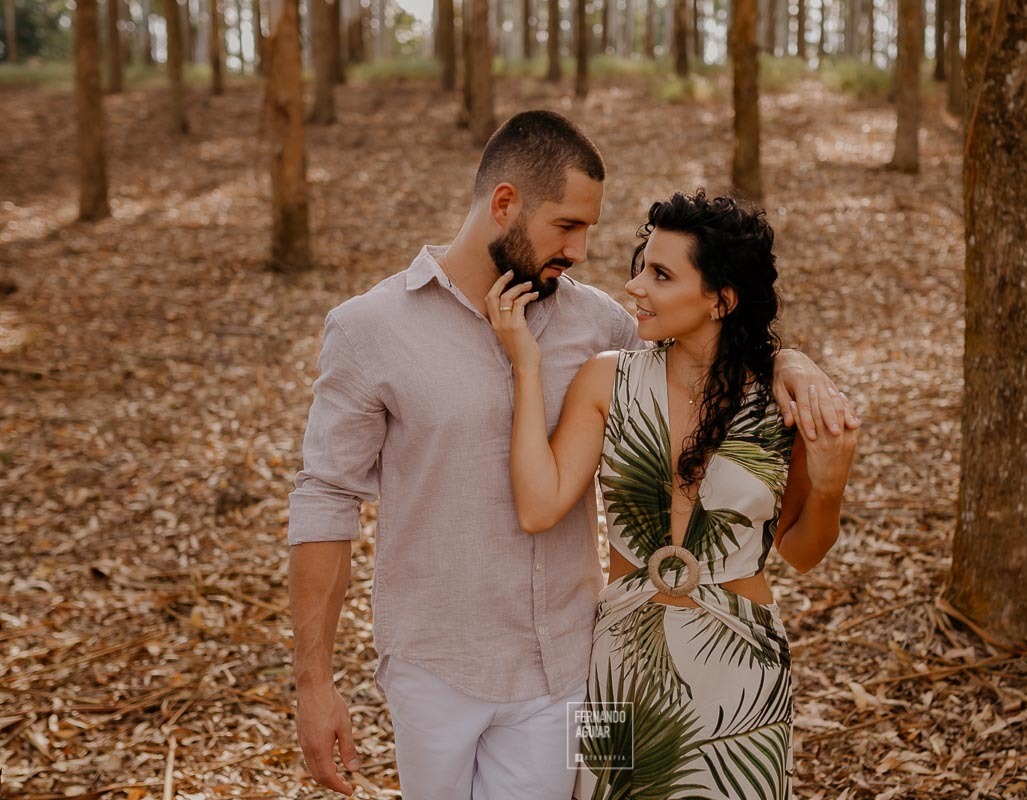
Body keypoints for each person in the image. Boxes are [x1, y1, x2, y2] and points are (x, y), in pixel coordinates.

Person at [288, 111, 858, 800]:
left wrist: (791, 362)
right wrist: (314, 685)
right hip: (437, 666)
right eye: (568, 226)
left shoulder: (601, 326)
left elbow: (710, 353)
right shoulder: (370, 329)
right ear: (505, 205)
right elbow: (325, 499)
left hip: (568, 666)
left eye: (591, 229)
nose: (584, 251)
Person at [487, 190, 858, 798]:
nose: (636, 287)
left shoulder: (780, 404)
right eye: (641, 267)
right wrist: (525, 366)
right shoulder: (606, 378)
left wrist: (832, 486)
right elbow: (538, 505)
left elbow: (801, 552)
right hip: (615, 660)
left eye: (660, 274)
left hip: (743, 668)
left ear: (721, 299)